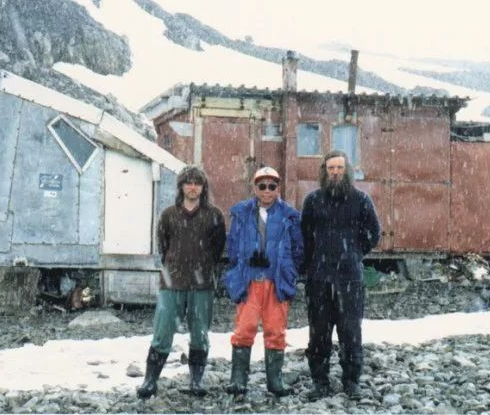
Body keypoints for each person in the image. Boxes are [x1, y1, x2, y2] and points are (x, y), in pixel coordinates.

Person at [137, 165, 226, 399]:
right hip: (172, 284)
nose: (193, 187)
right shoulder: (168, 215)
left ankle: (196, 381)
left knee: (200, 334)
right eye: (188, 183)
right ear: (181, 186)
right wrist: (175, 267)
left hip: (202, 286)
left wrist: (203, 267)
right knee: (162, 333)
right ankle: (150, 381)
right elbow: (163, 246)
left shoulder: (214, 215)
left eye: (197, 183)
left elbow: (218, 249)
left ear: (203, 187)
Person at [300, 150, 381, 400]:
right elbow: (305, 237)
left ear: (347, 171)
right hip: (319, 279)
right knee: (318, 332)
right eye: (331, 168)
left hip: (349, 279)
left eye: (339, 168)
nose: (335, 172)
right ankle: (320, 381)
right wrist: (313, 263)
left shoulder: (361, 200)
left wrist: (353, 253)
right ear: (324, 171)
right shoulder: (313, 201)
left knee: (350, 331)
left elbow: (373, 233)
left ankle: (351, 381)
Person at [223, 166, 303, 397]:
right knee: (244, 329)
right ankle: (238, 380)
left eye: (272, 186)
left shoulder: (289, 215)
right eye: (262, 186)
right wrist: (241, 266)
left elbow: (299, 249)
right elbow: (232, 247)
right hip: (248, 282)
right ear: (255, 188)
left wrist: (288, 270)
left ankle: (275, 382)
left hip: (277, 283)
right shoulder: (241, 213)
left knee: (276, 331)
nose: (267, 190)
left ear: (278, 188)